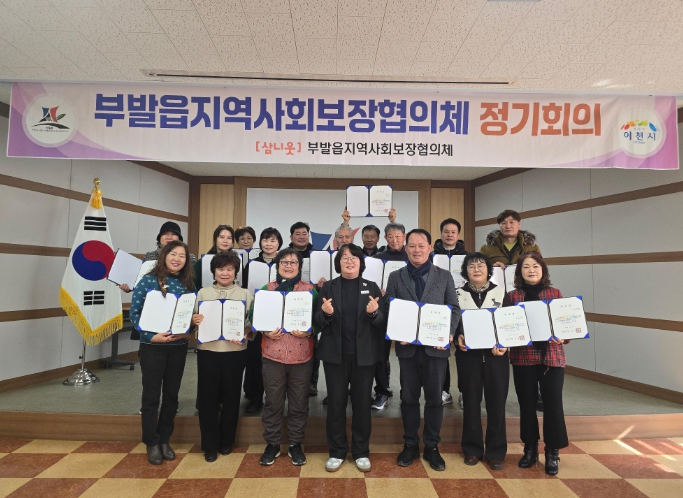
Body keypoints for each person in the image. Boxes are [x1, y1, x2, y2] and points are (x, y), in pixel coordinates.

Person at [385, 229, 460, 471]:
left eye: (421, 245)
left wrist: (448, 333)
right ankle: (410, 444)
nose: (416, 250)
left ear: (429, 248)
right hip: (407, 350)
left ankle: (432, 446)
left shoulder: (444, 276)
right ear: (406, 249)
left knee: (434, 400)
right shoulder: (396, 276)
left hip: (435, 349)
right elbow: (389, 308)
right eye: (412, 246)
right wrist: (398, 332)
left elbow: (454, 308)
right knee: (408, 398)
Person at [314, 244, 386, 473]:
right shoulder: (328, 287)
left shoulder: (371, 287)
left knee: (362, 403)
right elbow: (316, 320)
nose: (349, 261)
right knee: (336, 403)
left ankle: (361, 451)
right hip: (335, 355)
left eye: (354, 257)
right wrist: (325, 314)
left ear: (361, 263)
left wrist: (374, 313)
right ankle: (336, 451)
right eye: (344, 257)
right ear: (338, 263)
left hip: (364, 355)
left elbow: (382, 322)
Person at [129, 240, 196, 465]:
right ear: (164, 255)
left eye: (182, 256)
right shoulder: (148, 281)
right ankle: (151, 441)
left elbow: (190, 315)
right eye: (173, 254)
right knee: (151, 396)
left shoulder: (188, 284)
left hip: (177, 348)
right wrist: (150, 336)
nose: (177, 259)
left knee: (171, 395)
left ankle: (165, 439)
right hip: (152, 348)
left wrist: (192, 326)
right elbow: (135, 314)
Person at [254, 248, 318, 467]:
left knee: (299, 403)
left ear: (300, 267)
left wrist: (310, 331)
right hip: (273, 356)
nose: (288, 266)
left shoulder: (310, 291)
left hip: (301, 357)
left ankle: (295, 444)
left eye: (293, 262)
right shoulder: (267, 289)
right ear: (277, 265)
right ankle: (272, 444)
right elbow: (253, 315)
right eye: (284, 262)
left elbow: (320, 319)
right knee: (273, 402)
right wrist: (265, 330)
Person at [508, 252, 569, 476]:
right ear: (519, 272)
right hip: (523, 357)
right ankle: (530, 449)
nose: (531, 270)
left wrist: (564, 336)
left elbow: (565, 323)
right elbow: (507, 326)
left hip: (551, 358)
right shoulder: (513, 296)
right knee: (526, 404)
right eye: (526, 267)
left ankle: (552, 452)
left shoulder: (555, 293)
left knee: (553, 404)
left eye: (535, 266)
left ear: (543, 270)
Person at [191, 252, 253, 463]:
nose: (224, 273)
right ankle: (209, 444)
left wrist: (246, 332)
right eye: (220, 269)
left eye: (229, 269)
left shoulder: (245, 294)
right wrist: (194, 320)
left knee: (232, 397)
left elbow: (251, 322)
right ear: (213, 271)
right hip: (208, 351)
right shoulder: (203, 293)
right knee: (207, 398)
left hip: (235, 352)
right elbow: (192, 320)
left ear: (235, 272)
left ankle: (227, 441)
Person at [479, 209, 544, 411]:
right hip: (497, 299)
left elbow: (539, 268)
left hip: (525, 297)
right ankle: (495, 393)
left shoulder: (531, 246)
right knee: (497, 345)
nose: (508, 225)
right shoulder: (487, 247)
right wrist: (492, 267)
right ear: (499, 225)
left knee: (530, 345)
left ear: (519, 224)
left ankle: (536, 392)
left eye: (512, 222)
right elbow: (479, 270)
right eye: (504, 222)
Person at [455, 252, 512, 471]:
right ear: (465, 271)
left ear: (489, 270)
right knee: (470, 402)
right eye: (471, 266)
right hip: (468, 357)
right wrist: (457, 338)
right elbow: (453, 323)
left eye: (481, 265)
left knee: (496, 403)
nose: (476, 269)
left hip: (496, 358)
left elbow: (510, 324)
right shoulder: (458, 294)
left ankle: (496, 452)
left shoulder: (501, 293)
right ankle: (472, 449)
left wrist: (505, 344)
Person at [241, 228, 283, 411]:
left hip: (278, 315)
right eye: (265, 240)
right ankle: (254, 397)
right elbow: (242, 287)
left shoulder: (284, 263)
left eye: (273, 240)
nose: (268, 244)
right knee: (254, 358)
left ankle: (276, 399)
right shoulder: (251, 265)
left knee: (275, 360)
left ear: (279, 243)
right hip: (256, 314)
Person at [369, 221, 407, 411]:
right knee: (381, 355)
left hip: (406, 311)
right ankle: (382, 391)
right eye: (390, 236)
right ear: (385, 238)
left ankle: (407, 393)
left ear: (404, 237)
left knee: (407, 355)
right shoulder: (377, 258)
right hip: (383, 311)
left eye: (398, 236)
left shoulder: (411, 256)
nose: (394, 240)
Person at [433, 218, 468, 408]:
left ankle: (464, 391)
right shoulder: (431, 255)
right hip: (439, 308)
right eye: (446, 231)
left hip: (463, 307)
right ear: (441, 233)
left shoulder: (468, 256)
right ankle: (444, 390)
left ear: (458, 235)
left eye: (453, 232)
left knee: (463, 351)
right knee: (441, 351)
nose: (449, 235)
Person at [119, 221, 196, 293]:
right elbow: (141, 280)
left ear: (179, 239)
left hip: (180, 294)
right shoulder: (150, 256)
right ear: (159, 238)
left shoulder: (190, 257)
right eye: (165, 234)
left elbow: (194, 281)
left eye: (173, 234)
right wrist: (129, 286)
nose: (169, 237)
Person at [192, 224, 235, 290]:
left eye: (229, 238)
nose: (225, 241)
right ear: (215, 240)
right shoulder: (201, 262)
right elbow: (194, 285)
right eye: (221, 237)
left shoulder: (237, 262)